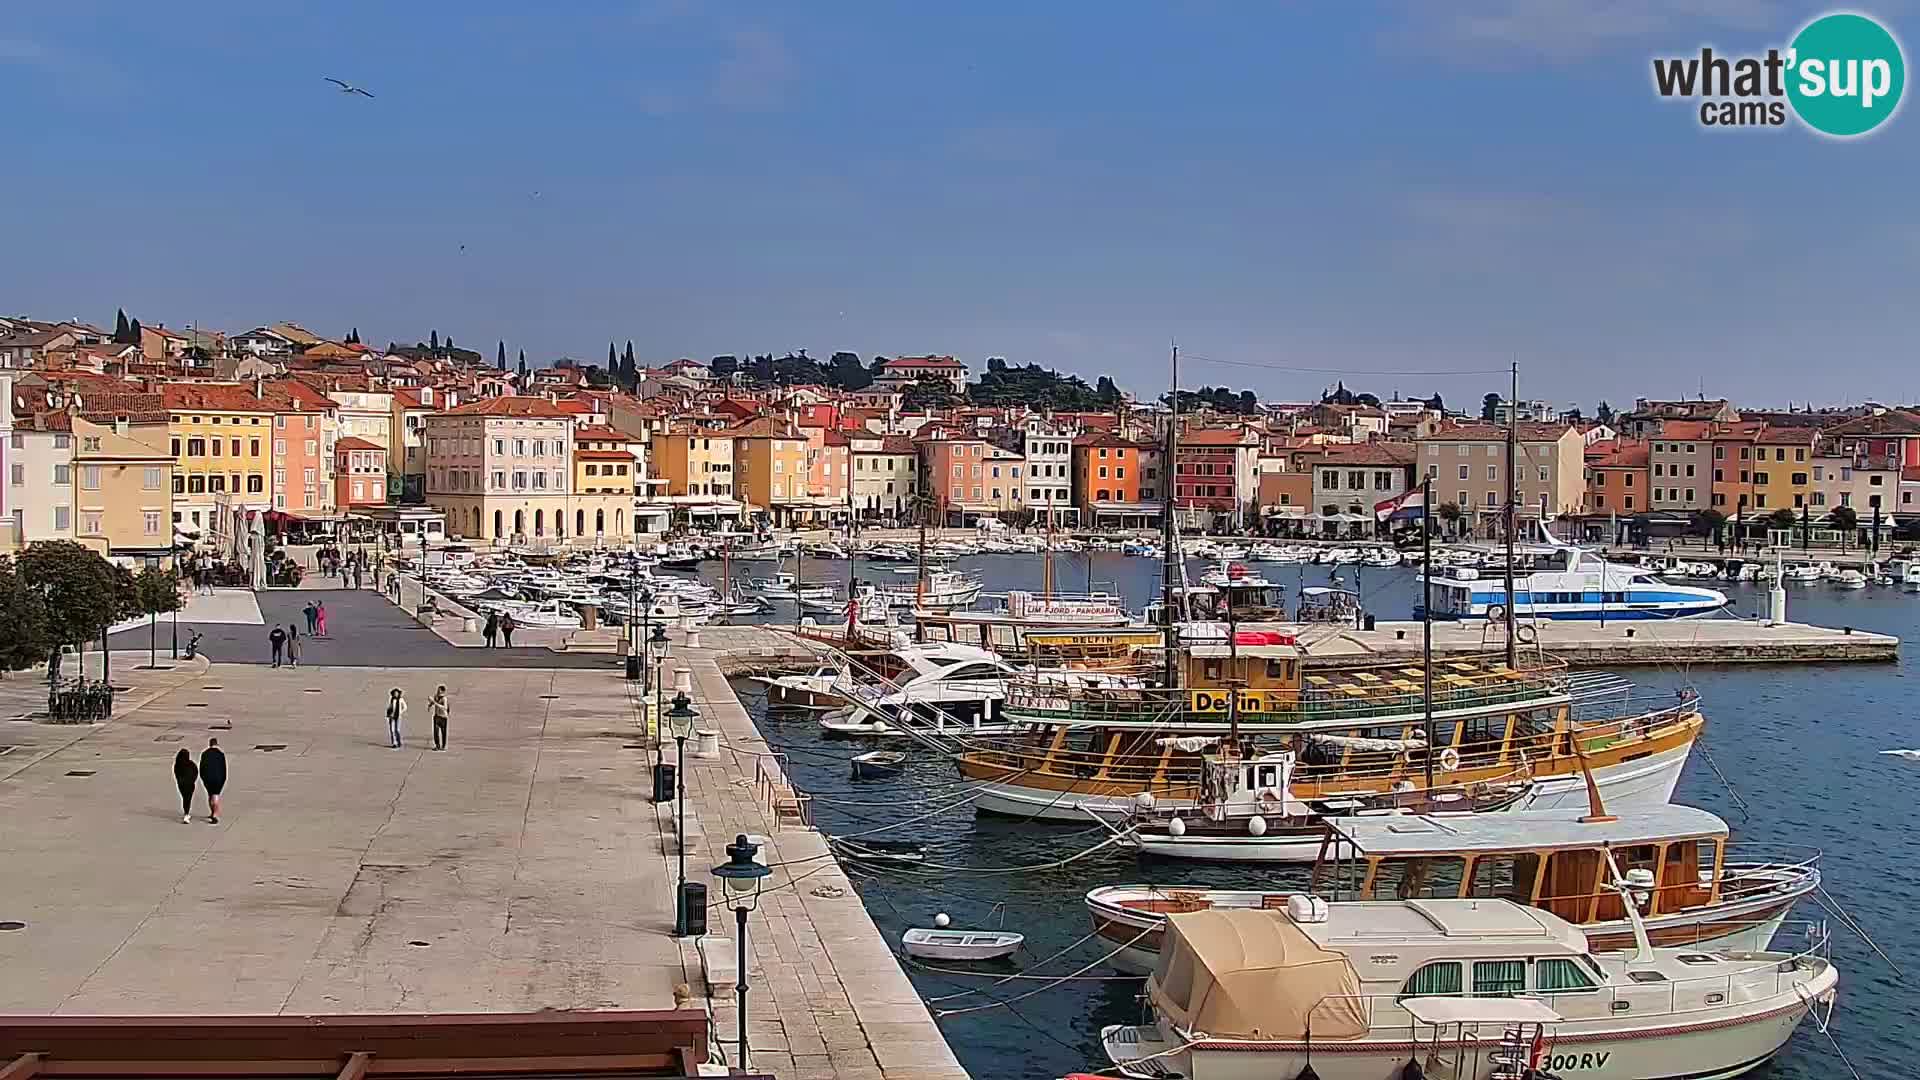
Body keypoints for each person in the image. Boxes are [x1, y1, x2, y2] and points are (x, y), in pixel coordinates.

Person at [199, 738, 226, 824]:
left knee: (210, 795)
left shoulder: (204, 754)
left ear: (209, 744)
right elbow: (223, 769)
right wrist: (223, 779)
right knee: (215, 796)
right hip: (218, 778)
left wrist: (203, 778)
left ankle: (212, 812)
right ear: (217, 744)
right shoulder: (221, 754)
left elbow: (201, 768)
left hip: (207, 778)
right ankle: (215, 814)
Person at [172, 748, 198, 824]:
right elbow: (196, 772)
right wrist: (193, 780)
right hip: (190, 784)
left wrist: (179, 780)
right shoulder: (191, 764)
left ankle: (186, 812)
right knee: (188, 799)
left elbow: (176, 774)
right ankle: (186, 814)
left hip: (181, 785)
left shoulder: (177, 765)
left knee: (185, 798)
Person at [430, 685, 450, 751]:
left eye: (439, 690)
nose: (438, 691)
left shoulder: (444, 699)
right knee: (435, 732)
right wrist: (430, 704)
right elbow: (433, 703)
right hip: (436, 716)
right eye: (438, 690)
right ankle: (437, 745)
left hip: (443, 717)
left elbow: (445, 708)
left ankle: (444, 746)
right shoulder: (436, 696)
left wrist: (435, 703)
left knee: (443, 732)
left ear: (443, 691)